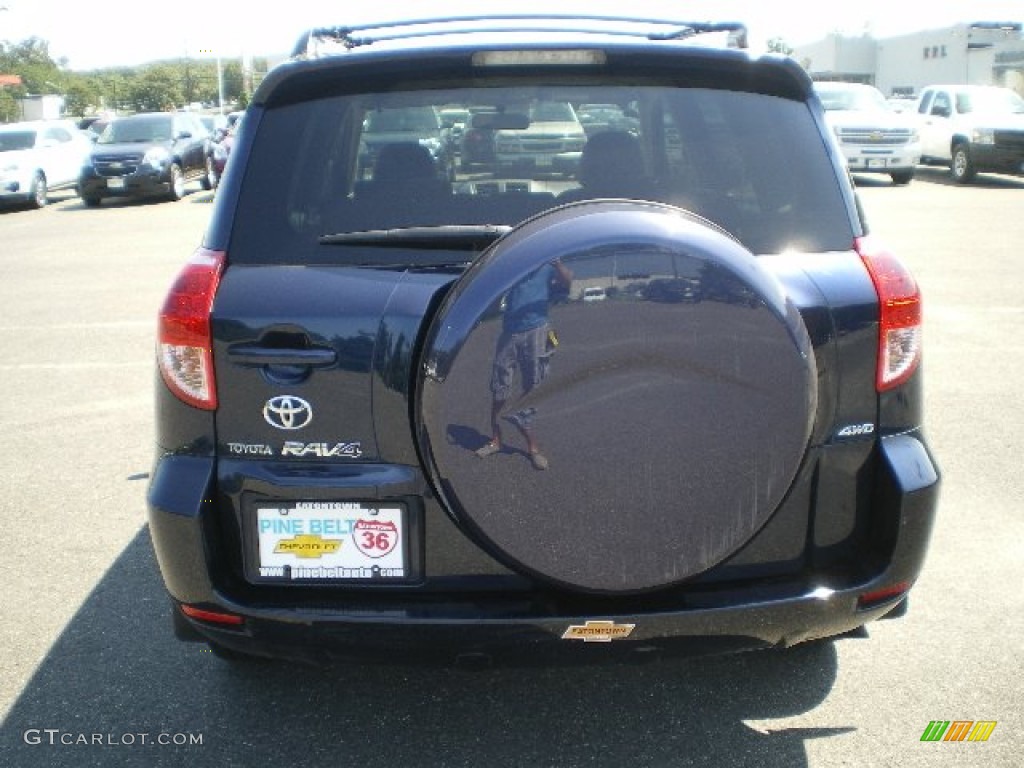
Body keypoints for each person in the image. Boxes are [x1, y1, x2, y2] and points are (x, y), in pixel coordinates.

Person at [475, 259, 573, 470]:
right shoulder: (513, 267)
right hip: (509, 332)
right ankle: (496, 441)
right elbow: (493, 297)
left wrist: (557, 264)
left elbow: (567, 283)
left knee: (535, 385)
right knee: (499, 388)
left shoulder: (548, 267)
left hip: (537, 331)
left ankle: (532, 447)